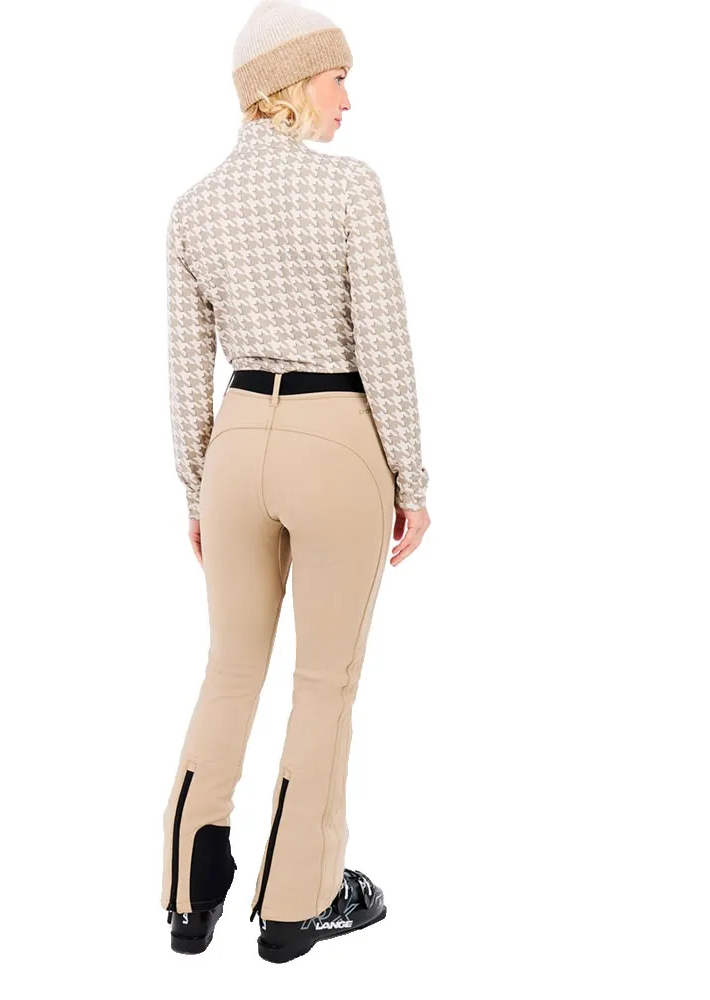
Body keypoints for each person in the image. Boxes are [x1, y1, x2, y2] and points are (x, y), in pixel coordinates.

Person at [160, 0, 431, 963]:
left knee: (229, 669)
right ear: (288, 84)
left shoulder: (193, 207)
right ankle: (295, 904)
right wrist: (413, 477)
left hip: (237, 444)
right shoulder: (349, 187)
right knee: (324, 682)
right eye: (337, 77)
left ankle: (188, 893)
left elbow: (185, 367)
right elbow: (383, 342)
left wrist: (196, 489)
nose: (348, 100)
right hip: (335, 437)